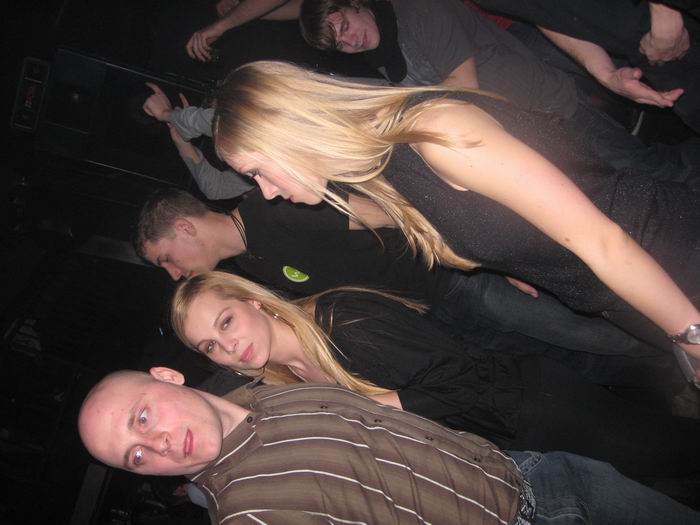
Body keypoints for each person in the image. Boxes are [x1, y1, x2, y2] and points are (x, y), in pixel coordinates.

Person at [212, 60, 700, 373]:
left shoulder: (432, 133)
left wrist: (690, 336)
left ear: (288, 132)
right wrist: (513, 259)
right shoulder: (379, 169)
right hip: (621, 293)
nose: (266, 193)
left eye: (257, 171)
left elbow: (604, 241)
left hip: (665, 259)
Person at [170, 270, 700, 479]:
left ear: (253, 301)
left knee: (672, 454)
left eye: (225, 321)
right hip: (507, 439)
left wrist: (369, 414)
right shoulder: (289, 374)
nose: (227, 345)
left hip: (534, 404)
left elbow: (462, 380)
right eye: (209, 346)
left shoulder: (342, 321)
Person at [136, 188, 677, 388]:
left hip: (460, 282)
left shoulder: (273, 210)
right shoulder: (250, 267)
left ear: (184, 228)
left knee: (586, 331)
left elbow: (398, 209)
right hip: (435, 318)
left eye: (166, 259)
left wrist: (494, 256)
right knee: (559, 357)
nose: (174, 273)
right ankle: (669, 376)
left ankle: (680, 342)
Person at [78, 368, 700, 524]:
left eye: (141, 417)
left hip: (535, 473)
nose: (157, 443)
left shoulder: (265, 392)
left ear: (167, 376)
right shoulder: (248, 512)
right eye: (137, 456)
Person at [473, 0, 700, 135]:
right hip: (650, 49)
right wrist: (604, 73)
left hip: (677, 18)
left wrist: (666, 13)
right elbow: (543, 11)